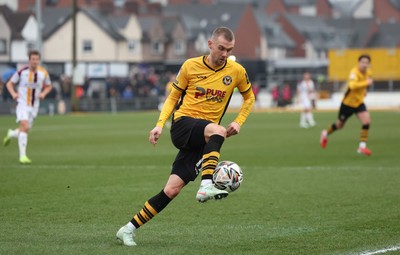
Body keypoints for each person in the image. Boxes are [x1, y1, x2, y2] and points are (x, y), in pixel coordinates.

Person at [116, 26, 255, 247]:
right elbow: (173, 97)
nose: (225, 54)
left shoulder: (236, 71)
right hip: (183, 126)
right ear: (210, 45)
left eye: (229, 50)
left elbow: (249, 98)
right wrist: (159, 124)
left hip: (204, 137)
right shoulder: (190, 66)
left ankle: (128, 229)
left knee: (171, 189)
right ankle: (207, 184)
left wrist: (238, 122)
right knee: (218, 131)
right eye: (221, 48)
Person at [3, 50, 53, 164]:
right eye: (32, 59)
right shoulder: (22, 71)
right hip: (22, 103)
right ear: (29, 60)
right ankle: (22, 156)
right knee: (25, 126)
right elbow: (9, 84)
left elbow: (49, 86)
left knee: (25, 129)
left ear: (39, 60)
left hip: (34, 106)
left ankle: (11, 134)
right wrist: (14, 94)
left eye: (36, 59)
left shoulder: (43, 73)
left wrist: (44, 93)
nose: (34, 61)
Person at [320, 54, 373, 156]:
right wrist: (365, 83)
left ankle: (362, 147)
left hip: (359, 103)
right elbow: (352, 86)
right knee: (340, 125)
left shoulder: (369, 73)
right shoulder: (354, 72)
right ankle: (325, 133)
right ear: (358, 62)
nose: (364, 64)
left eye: (367, 62)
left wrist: (364, 90)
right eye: (363, 62)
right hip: (348, 104)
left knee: (366, 121)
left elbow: (365, 84)